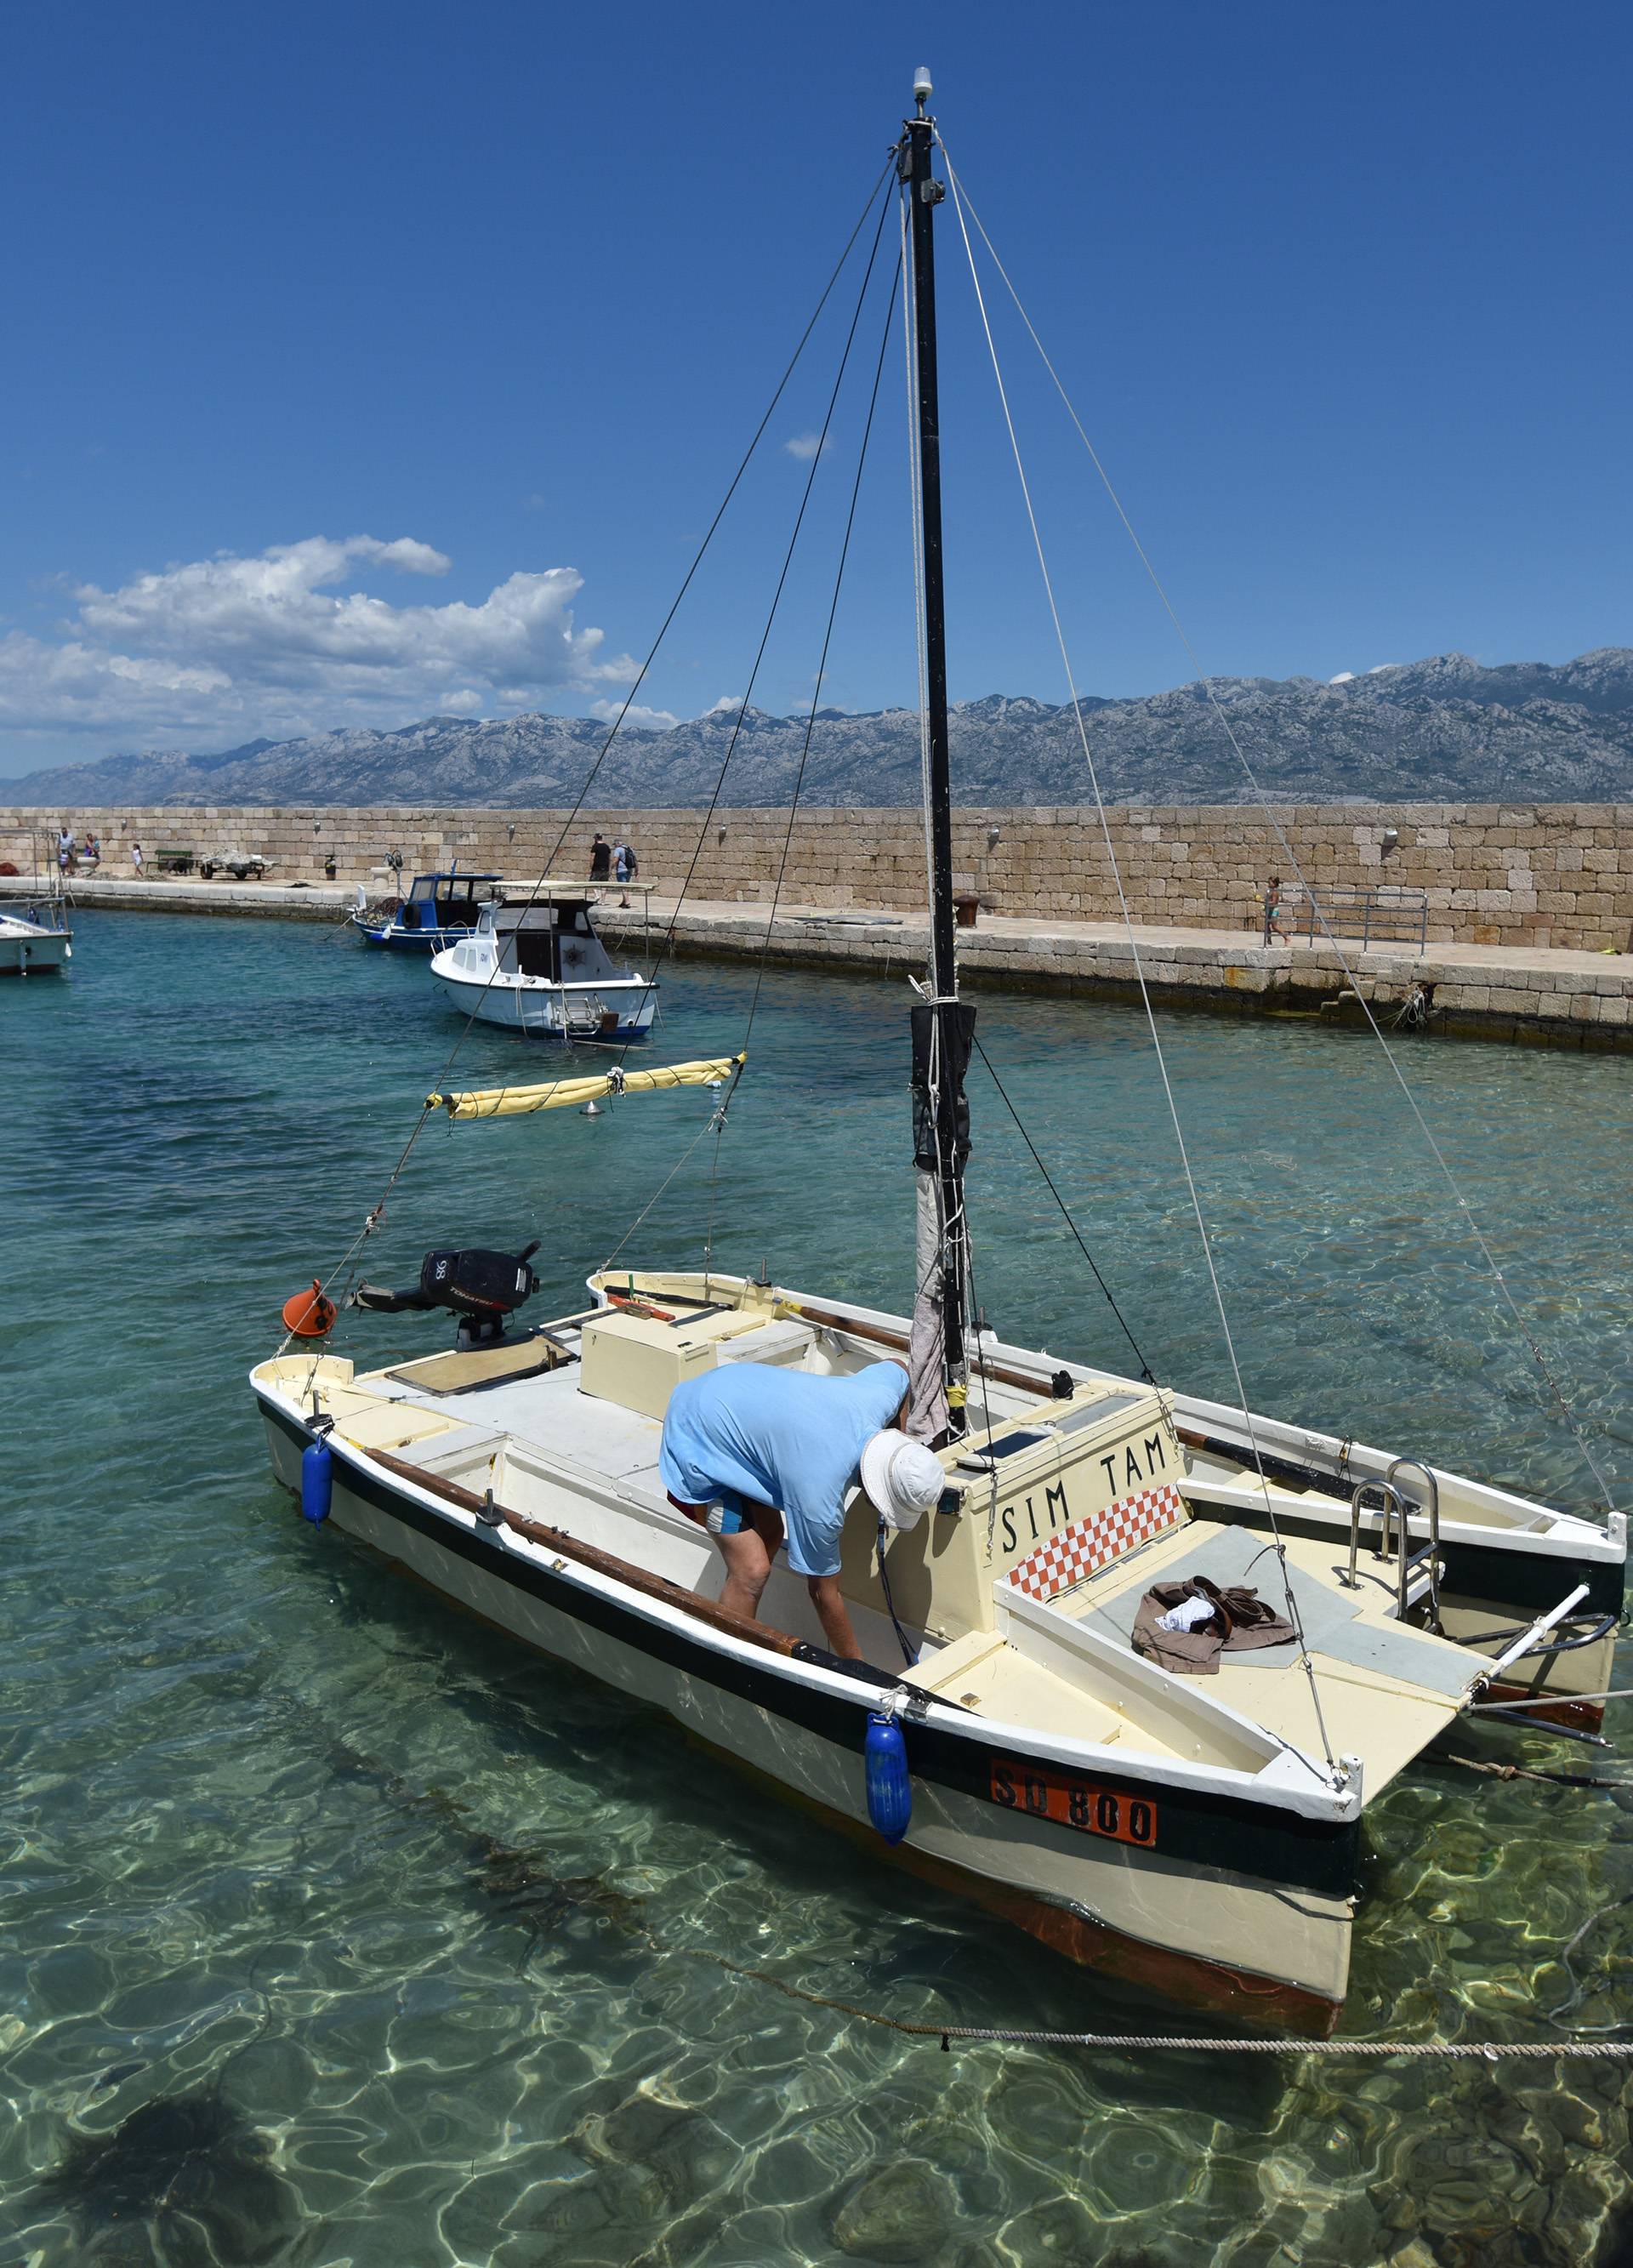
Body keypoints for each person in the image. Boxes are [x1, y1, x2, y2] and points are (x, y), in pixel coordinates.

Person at [658, 1358, 944, 1660]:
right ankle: (725, 1659)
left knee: (771, 1534)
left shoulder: (876, 1397)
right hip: (695, 1432)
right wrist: (858, 1669)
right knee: (752, 1570)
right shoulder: (819, 1496)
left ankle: (739, 1622)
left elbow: (898, 1367)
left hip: (732, 1391)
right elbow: (822, 1593)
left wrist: (898, 1431)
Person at [1262, 875, 1288, 943]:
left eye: (1270, 882)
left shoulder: (1275, 892)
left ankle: (1286, 938)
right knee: (1267, 925)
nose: (1268, 883)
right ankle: (1269, 940)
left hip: (1274, 911)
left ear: (1274, 883)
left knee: (1274, 927)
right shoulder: (1271, 891)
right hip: (1270, 910)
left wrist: (1266, 903)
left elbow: (1274, 902)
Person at [612, 837, 630, 907]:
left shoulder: (618, 849)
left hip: (621, 870)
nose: (614, 846)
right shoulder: (629, 849)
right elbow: (635, 860)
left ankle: (627, 902)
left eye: (615, 845)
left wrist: (611, 868)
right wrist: (637, 870)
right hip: (629, 870)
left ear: (617, 844)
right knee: (626, 886)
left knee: (623, 886)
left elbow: (615, 860)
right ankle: (624, 901)